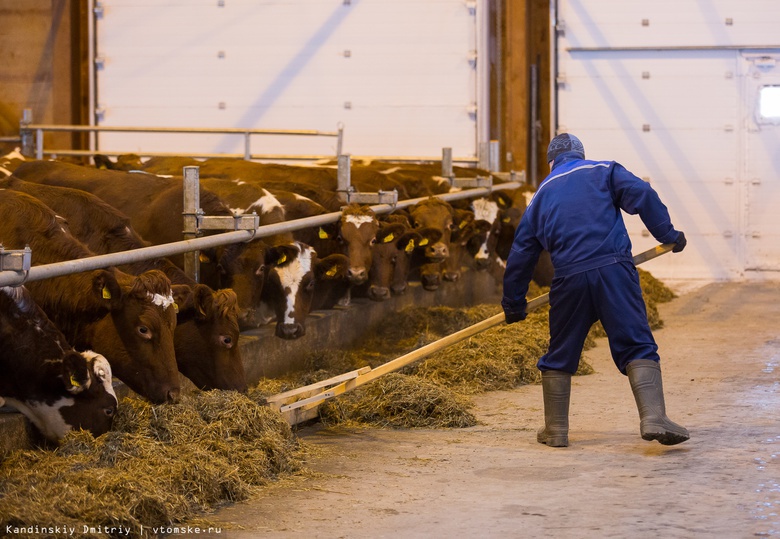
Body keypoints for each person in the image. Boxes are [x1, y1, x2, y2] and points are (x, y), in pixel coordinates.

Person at [501, 133, 689, 447]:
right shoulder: (604, 170)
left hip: (568, 280)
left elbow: (521, 255)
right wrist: (667, 234)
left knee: (560, 353)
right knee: (636, 345)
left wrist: (514, 305)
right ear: (581, 154)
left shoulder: (540, 197)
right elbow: (642, 193)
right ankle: (653, 416)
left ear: (551, 163)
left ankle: (556, 430)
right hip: (613, 270)